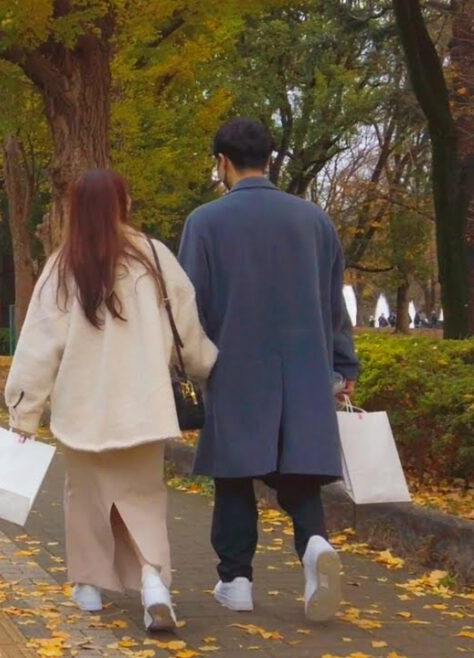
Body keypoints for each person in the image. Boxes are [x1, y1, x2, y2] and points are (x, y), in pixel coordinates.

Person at [5, 170, 217, 633]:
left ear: (73, 209)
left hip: (80, 410)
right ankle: (153, 583)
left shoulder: (63, 267)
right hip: (144, 404)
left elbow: (39, 345)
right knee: (143, 497)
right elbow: (185, 327)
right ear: (124, 202)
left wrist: (24, 411)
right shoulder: (154, 258)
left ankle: (88, 585)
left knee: (86, 498)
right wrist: (206, 365)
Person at [178, 118, 360, 623]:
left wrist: (192, 364)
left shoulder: (205, 222)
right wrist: (343, 366)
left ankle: (235, 580)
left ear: (222, 163)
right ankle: (314, 544)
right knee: (298, 473)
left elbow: (190, 305)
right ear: (270, 160)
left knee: (234, 475)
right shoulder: (315, 221)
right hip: (304, 369)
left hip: (235, 367)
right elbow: (333, 306)